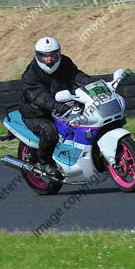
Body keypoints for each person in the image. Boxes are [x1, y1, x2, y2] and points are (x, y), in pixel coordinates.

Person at [19, 37, 96, 179]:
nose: (49, 59)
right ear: (38, 56)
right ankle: (45, 162)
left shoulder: (65, 62)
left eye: (52, 55)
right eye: (45, 56)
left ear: (58, 53)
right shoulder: (31, 74)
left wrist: (93, 85)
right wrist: (54, 105)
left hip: (61, 105)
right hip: (36, 113)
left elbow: (76, 76)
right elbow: (38, 96)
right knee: (50, 131)